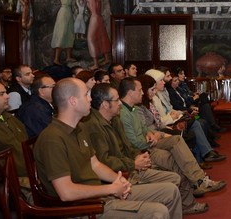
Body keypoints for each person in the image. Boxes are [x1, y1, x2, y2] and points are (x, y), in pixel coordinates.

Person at [33, 78, 182, 219]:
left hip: (99, 195)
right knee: (157, 211)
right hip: (82, 208)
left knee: (170, 191)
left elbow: (95, 164)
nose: (91, 99)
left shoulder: (79, 129)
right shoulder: (52, 139)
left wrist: (120, 182)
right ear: (72, 101)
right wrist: (110, 189)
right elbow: (66, 192)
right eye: (86, 95)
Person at [81, 83, 208, 215]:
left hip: (130, 165)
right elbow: (104, 161)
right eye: (116, 100)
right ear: (105, 105)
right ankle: (196, 185)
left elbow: (128, 145)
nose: (120, 103)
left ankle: (196, 185)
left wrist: (137, 156)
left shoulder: (115, 119)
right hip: (123, 174)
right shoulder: (94, 127)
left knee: (177, 149)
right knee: (172, 163)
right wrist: (134, 163)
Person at [118, 77, 227, 197]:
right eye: (140, 90)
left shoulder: (133, 108)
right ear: (130, 93)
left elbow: (144, 128)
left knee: (177, 140)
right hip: (142, 148)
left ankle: (200, 180)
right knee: (175, 153)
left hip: (149, 141)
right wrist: (155, 137)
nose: (142, 92)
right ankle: (198, 183)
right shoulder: (124, 113)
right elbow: (134, 142)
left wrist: (150, 133)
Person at [0, 82, 30, 187]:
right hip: (12, 183)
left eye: (6, 92)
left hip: (32, 171)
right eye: (1, 94)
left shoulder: (10, 118)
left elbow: (26, 144)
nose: (7, 96)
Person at [79, 0, 111, 70]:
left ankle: (96, 63)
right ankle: (106, 58)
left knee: (91, 39)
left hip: (94, 18)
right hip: (99, 18)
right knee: (102, 37)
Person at [51, 0, 77, 65]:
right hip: (63, 12)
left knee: (69, 33)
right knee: (61, 33)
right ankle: (56, 59)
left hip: (69, 12)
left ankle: (68, 57)